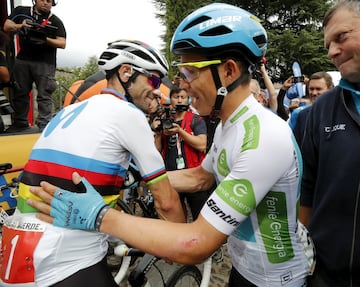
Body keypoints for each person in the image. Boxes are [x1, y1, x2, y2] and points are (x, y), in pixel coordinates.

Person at [26, 4, 314, 287]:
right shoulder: (231, 125)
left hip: (276, 278)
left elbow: (196, 242)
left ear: (228, 71)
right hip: (243, 269)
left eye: (189, 73)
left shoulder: (263, 135)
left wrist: (99, 215)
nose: (181, 86)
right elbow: (199, 177)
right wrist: (139, 178)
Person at [0, 39, 185, 287]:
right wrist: (178, 243)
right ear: (126, 72)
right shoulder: (128, 114)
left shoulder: (67, 112)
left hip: (18, 256)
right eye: (153, 80)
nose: (157, 89)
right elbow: (166, 201)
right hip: (65, 261)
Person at [298, 1, 360, 286]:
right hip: (326, 274)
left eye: (341, 37)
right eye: (328, 46)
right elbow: (307, 186)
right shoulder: (321, 109)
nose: (332, 52)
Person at [3, 0, 66, 132]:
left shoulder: (55, 21)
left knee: (45, 94)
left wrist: (45, 39)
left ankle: (45, 125)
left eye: (49, 1)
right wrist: (21, 26)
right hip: (23, 60)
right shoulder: (22, 11)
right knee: (20, 92)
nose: (45, 3)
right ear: (35, 0)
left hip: (45, 62)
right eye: (42, 0)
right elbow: (7, 26)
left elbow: (62, 43)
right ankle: (20, 123)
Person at [155, 85, 209, 219]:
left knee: (200, 217)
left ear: (188, 100)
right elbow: (157, 151)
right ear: (170, 100)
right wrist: (157, 133)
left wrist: (180, 131)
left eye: (183, 97)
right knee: (177, 219)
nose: (179, 100)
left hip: (194, 176)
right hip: (173, 176)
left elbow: (202, 144)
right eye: (176, 97)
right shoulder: (166, 120)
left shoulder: (196, 119)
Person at [292, 71, 334, 147]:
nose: (314, 93)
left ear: (330, 89)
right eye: (311, 89)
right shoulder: (302, 115)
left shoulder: (340, 113)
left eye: (318, 89)